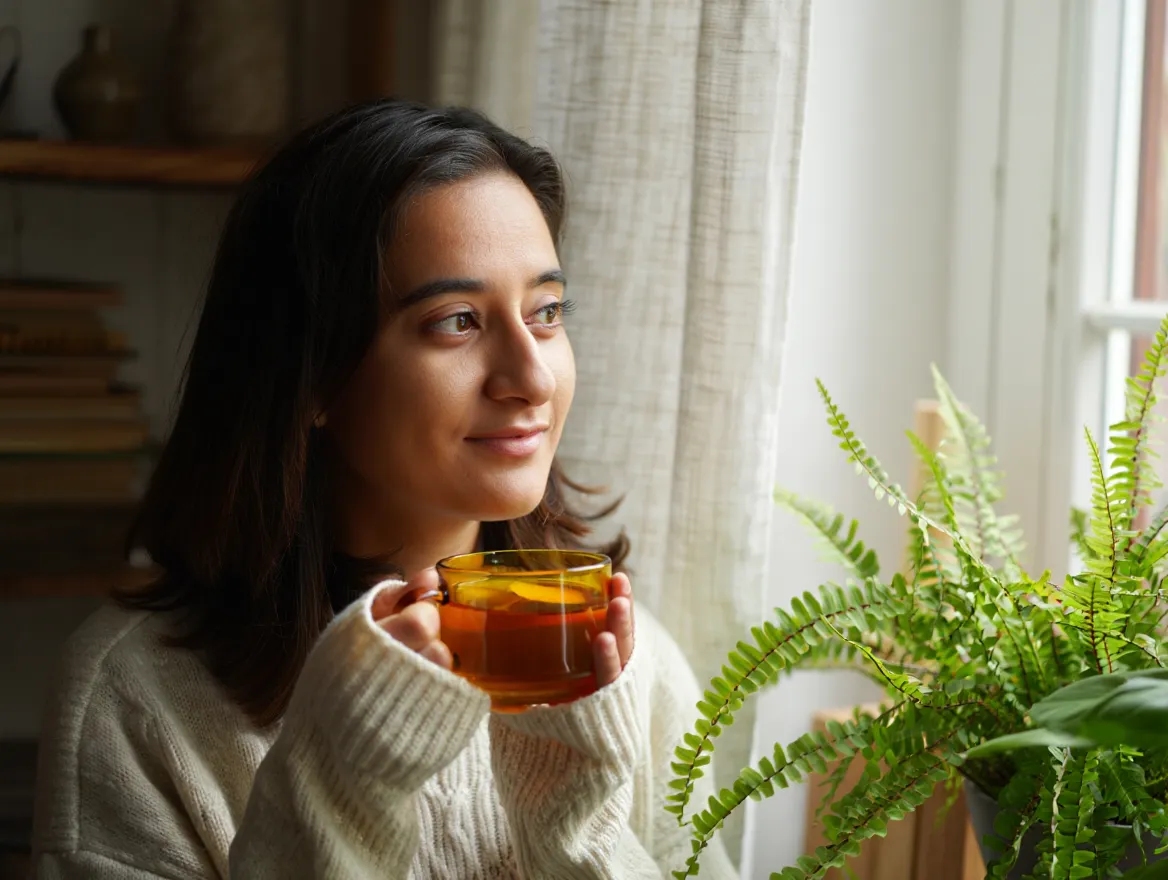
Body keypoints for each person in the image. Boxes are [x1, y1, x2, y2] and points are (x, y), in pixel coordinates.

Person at [30, 100, 736, 879]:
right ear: (315, 378)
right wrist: (337, 789)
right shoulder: (141, 701)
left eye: (547, 311)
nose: (532, 377)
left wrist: (579, 834)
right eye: (457, 321)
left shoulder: (630, 670)